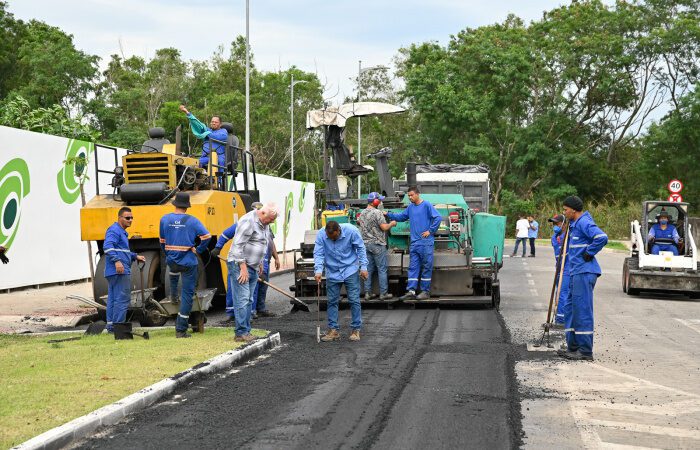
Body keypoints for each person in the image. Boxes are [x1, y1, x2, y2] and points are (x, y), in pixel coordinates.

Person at [559, 195, 608, 361]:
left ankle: (585, 351)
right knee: (570, 308)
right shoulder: (575, 225)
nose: (564, 213)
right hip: (575, 272)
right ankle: (573, 347)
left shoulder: (584, 222)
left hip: (584, 272)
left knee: (582, 310)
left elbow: (601, 237)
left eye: (565, 210)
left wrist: (589, 252)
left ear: (573, 210)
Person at [159, 192, 212, 338]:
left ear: (175, 205)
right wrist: (198, 250)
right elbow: (206, 237)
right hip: (188, 261)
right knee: (188, 295)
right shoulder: (192, 221)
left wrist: (169, 254)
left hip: (172, 260)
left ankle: (173, 296)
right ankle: (181, 330)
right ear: (187, 207)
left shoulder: (164, 219)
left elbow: (162, 241)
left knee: (173, 274)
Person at [227, 203, 278, 343]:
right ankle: (240, 333)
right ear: (263, 213)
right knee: (242, 299)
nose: (272, 222)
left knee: (249, 299)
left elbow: (262, 243)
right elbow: (237, 246)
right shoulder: (247, 221)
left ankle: (246, 331)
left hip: (253, 266)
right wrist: (243, 267)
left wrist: (260, 262)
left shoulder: (264, 223)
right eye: (271, 219)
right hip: (240, 265)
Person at [314, 220, 369, 342]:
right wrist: (318, 271)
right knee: (332, 301)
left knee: (354, 300)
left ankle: (356, 330)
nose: (332, 240)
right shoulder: (321, 235)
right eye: (330, 238)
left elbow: (360, 248)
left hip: (350, 269)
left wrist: (364, 267)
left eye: (334, 237)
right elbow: (318, 253)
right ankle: (333, 330)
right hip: (332, 271)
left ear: (339, 231)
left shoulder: (352, 231)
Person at [386, 187, 442, 300]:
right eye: (409, 196)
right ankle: (411, 291)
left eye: (411, 195)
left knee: (426, 267)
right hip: (415, 243)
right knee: (413, 267)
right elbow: (401, 217)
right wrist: (388, 214)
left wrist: (430, 231)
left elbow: (438, 218)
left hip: (426, 243)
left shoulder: (426, 205)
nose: (410, 197)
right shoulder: (410, 208)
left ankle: (425, 292)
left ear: (417, 194)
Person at [104, 207, 146, 333]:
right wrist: (117, 261)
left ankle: (111, 327)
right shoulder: (115, 230)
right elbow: (107, 247)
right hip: (119, 271)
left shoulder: (120, 231)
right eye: (127, 218)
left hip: (113, 272)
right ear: (119, 218)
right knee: (122, 300)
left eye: (132, 218)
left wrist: (134, 256)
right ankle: (119, 329)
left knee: (113, 300)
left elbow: (122, 250)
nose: (130, 220)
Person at [358, 192, 397, 301]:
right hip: (378, 244)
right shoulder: (377, 213)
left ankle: (367, 293)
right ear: (375, 201)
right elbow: (384, 227)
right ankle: (383, 293)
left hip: (365, 244)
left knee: (368, 269)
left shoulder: (362, 213)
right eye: (379, 200)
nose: (380, 202)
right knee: (382, 269)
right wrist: (392, 224)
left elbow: (359, 223)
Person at [179, 104, 228, 170]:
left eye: (216, 122)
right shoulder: (207, 130)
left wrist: (206, 132)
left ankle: (219, 180)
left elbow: (217, 137)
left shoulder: (223, 132)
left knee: (220, 161)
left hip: (218, 156)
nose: (213, 123)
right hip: (206, 157)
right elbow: (198, 124)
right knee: (193, 163)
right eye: (212, 122)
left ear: (220, 124)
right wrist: (187, 112)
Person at [210, 222, 238, 325]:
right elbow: (226, 234)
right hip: (236, 260)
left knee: (248, 290)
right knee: (232, 286)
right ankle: (231, 313)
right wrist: (218, 247)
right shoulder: (244, 223)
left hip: (251, 263)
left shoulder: (264, 227)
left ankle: (247, 314)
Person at [251, 227, 281, 318]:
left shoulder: (268, 227)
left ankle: (261, 309)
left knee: (263, 287)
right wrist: (262, 269)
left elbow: (271, 243)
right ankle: (252, 311)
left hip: (267, 260)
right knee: (254, 288)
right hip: (257, 262)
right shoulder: (255, 227)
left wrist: (276, 258)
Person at [548, 214, 570, 328]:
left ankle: (561, 320)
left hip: (567, 268)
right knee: (559, 293)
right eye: (553, 224)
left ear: (564, 224)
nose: (555, 226)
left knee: (562, 293)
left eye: (557, 223)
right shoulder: (554, 237)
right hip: (559, 267)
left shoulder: (569, 236)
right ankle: (560, 317)